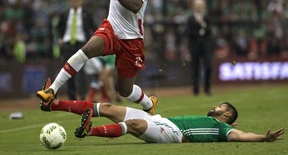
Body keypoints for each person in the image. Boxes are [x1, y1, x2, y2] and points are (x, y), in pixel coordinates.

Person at [37, 0, 157, 114]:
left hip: (131, 39)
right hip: (111, 29)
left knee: (124, 91)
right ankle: (52, 90)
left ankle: (149, 104)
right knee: (86, 50)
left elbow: (135, 5)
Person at [39, 80, 284, 143]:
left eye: (221, 107)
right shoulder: (221, 124)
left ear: (227, 115)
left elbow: (242, 136)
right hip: (162, 120)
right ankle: (53, 104)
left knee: (135, 126)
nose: (216, 106)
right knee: (108, 107)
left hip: (172, 133)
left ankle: (89, 131)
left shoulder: (224, 128)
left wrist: (263, 137)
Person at [57, 0, 96, 100]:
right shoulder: (64, 14)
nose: (75, 3)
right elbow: (58, 27)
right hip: (67, 44)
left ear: (81, 1)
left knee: (81, 72)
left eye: (77, 1)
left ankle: (83, 96)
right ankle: (72, 97)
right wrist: (60, 38)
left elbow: (94, 28)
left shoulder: (86, 14)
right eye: (73, 1)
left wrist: (92, 41)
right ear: (70, 1)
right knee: (68, 71)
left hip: (81, 44)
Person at [186, 0, 214, 96]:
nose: (199, 7)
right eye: (197, 5)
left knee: (208, 66)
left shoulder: (206, 18)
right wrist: (199, 30)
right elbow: (188, 32)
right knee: (195, 68)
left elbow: (210, 31)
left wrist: (203, 24)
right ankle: (196, 90)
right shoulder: (190, 18)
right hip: (194, 47)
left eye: (201, 6)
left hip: (206, 46)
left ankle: (207, 88)